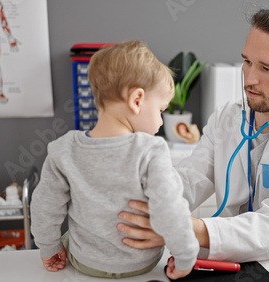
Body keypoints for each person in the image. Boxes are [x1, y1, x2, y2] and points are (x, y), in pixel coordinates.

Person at [117, 7, 269, 263]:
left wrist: (185, 228)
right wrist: (136, 204)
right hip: (226, 259)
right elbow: (189, 180)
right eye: (248, 62)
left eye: (266, 68)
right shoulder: (227, 119)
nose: (249, 78)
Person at [30, 41, 199, 280]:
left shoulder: (64, 149)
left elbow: (44, 207)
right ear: (137, 100)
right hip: (142, 264)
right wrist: (185, 258)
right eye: (160, 110)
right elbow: (171, 209)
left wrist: (48, 248)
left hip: (85, 263)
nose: (161, 122)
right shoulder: (151, 150)